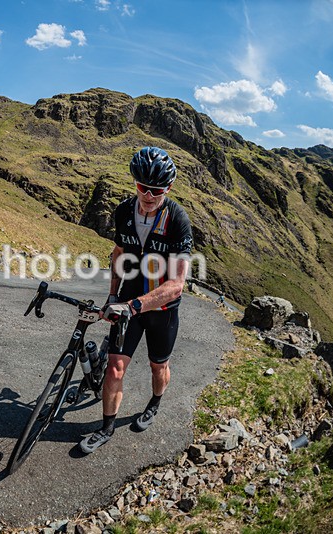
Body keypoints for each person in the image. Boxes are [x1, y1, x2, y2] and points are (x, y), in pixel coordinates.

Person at [79, 146, 193, 454]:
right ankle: (105, 428)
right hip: (127, 301)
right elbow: (119, 255)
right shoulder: (123, 212)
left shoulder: (177, 220)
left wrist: (134, 305)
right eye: (143, 187)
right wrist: (113, 295)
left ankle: (154, 404)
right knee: (115, 367)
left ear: (168, 188)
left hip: (161, 309)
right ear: (135, 183)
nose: (149, 195)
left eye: (157, 190)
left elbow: (177, 284)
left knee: (159, 367)